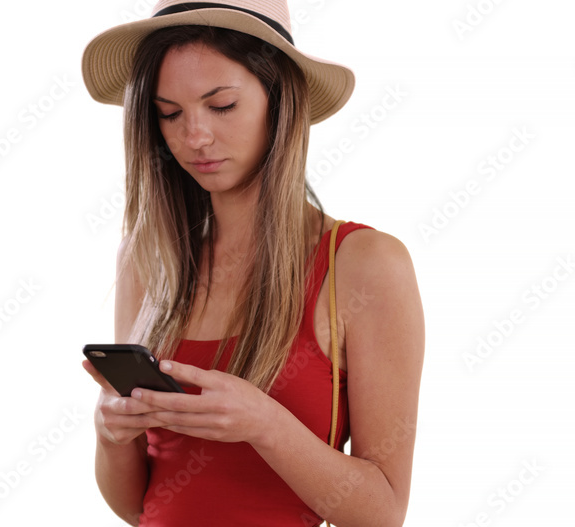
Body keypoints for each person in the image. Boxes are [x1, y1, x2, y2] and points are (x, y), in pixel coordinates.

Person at [79, 2, 425, 526]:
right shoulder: (147, 259)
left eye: (221, 105)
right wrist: (110, 435)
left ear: (280, 101)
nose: (194, 137)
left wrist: (264, 424)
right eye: (169, 113)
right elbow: (139, 505)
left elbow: (384, 513)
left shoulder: (364, 265)